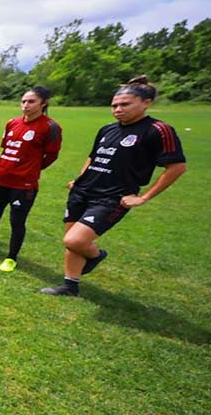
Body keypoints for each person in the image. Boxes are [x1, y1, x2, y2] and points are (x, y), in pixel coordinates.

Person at [41, 76, 186, 296]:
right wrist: (80, 179)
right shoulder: (107, 129)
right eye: (114, 105)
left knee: (75, 240)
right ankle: (70, 286)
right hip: (82, 191)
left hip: (112, 198)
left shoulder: (158, 130)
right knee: (71, 243)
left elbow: (177, 167)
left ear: (146, 102)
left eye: (125, 104)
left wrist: (143, 197)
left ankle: (96, 255)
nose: (118, 109)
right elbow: (94, 157)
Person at [0, 87, 62, 271]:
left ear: (43, 103)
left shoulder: (50, 127)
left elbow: (51, 156)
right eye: (23, 101)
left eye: (31, 102)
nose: (25, 105)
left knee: (17, 221)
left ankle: (11, 257)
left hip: (24, 185)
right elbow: (6, 148)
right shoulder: (12, 123)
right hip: (0, 179)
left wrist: (31, 170)